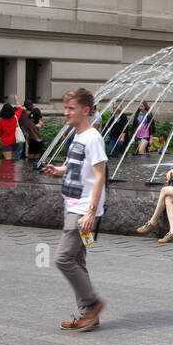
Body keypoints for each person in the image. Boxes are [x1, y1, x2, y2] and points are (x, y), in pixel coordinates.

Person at [40, 88, 108, 331]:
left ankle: (93, 304)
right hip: (72, 205)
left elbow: (100, 176)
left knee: (63, 258)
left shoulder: (93, 137)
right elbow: (77, 167)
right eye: (65, 107)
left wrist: (90, 212)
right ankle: (89, 314)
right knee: (77, 260)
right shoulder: (77, 136)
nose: (65, 112)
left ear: (85, 110)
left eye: (71, 108)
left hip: (83, 210)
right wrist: (59, 170)